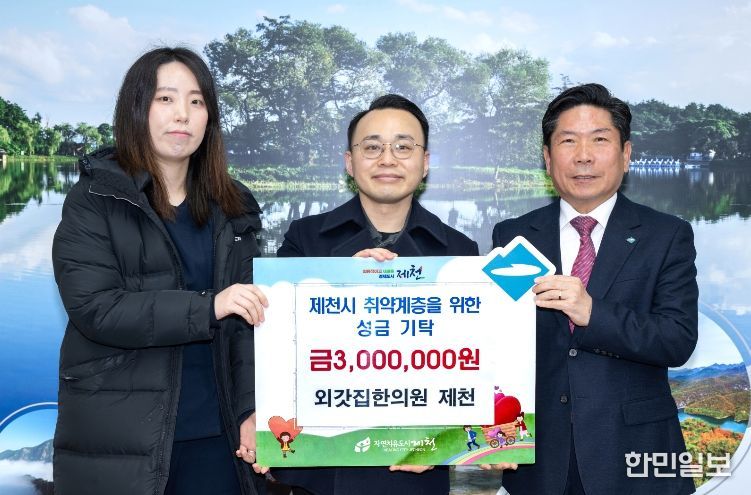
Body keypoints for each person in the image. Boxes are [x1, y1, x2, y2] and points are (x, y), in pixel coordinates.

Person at [52, 47, 268, 495]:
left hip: (219, 439)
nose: (182, 114)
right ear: (136, 109)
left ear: (209, 117)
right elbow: (96, 308)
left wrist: (347, 279)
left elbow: (253, 324)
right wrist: (209, 306)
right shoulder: (95, 199)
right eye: (165, 99)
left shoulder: (235, 205)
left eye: (196, 101)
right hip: (121, 442)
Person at [489, 83, 698, 494]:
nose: (583, 155)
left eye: (599, 140)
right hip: (540, 463)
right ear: (548, 158)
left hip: (635, 457)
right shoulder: (513, 236)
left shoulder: (666, 235)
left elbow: (676, 340)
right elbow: (498, 345)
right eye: (568, 141)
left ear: (626, 154)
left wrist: (592, 313)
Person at [269, 94, 479, 494]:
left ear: (425, 162)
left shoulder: (460, 252)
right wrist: (339, 282)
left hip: (418, 465)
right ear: (349, 162)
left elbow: (474, 367)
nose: (387, 159)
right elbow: (278, 342)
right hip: (321, 470)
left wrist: (447, 441)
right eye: (372, 147)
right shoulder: (304, 239)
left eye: (403, 147)